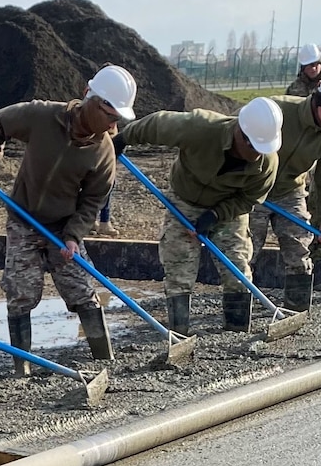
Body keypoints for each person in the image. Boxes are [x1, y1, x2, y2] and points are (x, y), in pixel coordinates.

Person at [0, 64, 138, 372]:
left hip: (63, 227)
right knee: (21, 292)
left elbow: (93, 201)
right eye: (109, 113)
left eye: (117, 117)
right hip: (24, 219)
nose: (112, 123)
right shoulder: (42, 116)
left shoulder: (103, 153)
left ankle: (104, 360)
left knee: (82, 290)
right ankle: (21, 368)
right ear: (89, 97)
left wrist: (74, 235)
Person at [115, 98, 282, 333]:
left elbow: (250, 199)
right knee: (178, 267)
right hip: (185, 200)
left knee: (237, 267)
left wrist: (215, 215)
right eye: (253, 146)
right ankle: (179, 332)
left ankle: (236, 330)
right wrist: (123, 139)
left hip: (227, 208)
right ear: (239, 132)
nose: (257, 154)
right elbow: (157, 124)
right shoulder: (202, 128)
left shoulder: (267, 163)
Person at [249, 67, 321, 312]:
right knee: (245, 251)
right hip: (253, 190)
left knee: (300, 251)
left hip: (290, 192)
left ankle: (296, 309)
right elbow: (235, 135)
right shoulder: (279, 110)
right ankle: (236, 318)